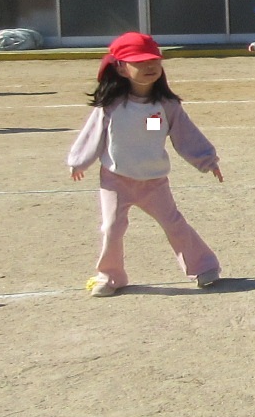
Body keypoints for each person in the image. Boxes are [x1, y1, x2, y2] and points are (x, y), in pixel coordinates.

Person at [66, 32, 222, 296]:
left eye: (154, 61)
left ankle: (204, 266)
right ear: (121, 68)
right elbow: (92, 134)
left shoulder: (167, 105)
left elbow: (185, 135)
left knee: (174, 224)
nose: (150, 66)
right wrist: (79, 161)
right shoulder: (111, 105)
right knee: (111, 228)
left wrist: (207, 159)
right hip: (116, 180)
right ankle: (110, 276)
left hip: (154, 182)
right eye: (139, 62)